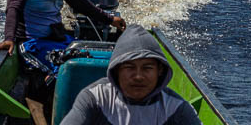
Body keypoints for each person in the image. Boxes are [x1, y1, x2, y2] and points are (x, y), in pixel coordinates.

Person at [0, 0, 126, 125]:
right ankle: (41, 109)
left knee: (85, 61)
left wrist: (109, 19)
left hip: (58, 39)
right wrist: (9, 38)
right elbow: (13, 8)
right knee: (62, 71)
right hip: (32, 43)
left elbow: (82, 4)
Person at [59, 24, 201, 125]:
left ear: (160, 71)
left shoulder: (176, 108)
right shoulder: (95, 98)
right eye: (129, 67)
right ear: (117, 70)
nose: (138, 76)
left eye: (147, 68)